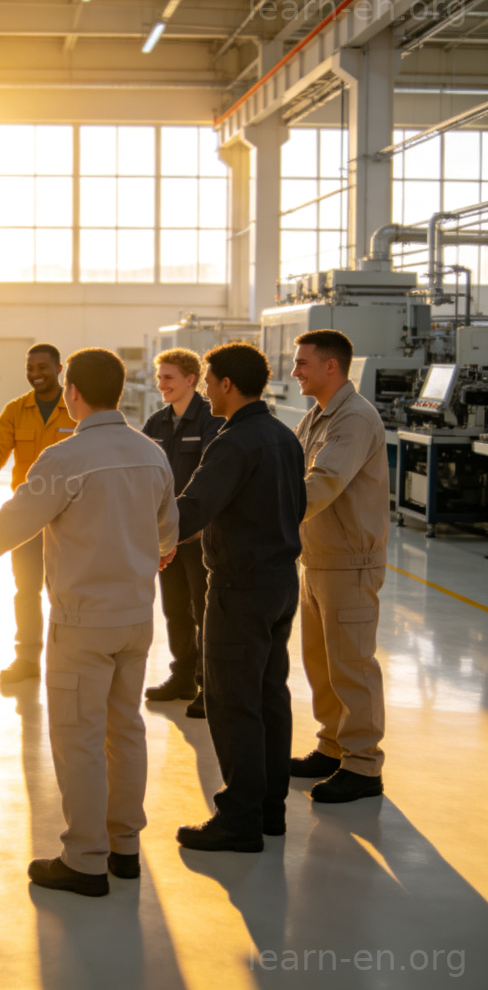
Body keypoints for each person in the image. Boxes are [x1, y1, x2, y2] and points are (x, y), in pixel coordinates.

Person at [0, 348, 178, 897]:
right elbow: (167, 533)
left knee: (78, 737)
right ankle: (125, 846)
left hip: (83, 623)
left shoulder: (65, 457)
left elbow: (13, 524)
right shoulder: (152, 454)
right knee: (125, 730)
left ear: (72, 392)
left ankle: (84, 859)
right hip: (135, 618)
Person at [174, 342, 306, 853]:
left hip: (238, 589)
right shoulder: (282, 436)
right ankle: (270, 810)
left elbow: (192, 511)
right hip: (279, 583)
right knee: (271, 695)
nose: (205, 390)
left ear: (227, 384)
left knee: (232, 702)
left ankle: (240, 818)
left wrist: (143, 533)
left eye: (208, 381)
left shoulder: (232, 443)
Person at [290, 329, 389, 803]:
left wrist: (270, 519)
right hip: (318, 557)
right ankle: (332, 747)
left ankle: (364, 766)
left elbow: (322, 483)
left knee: (351, 664)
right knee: (321, 663)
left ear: (332, 366)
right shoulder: (315, 417)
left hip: (349, 562)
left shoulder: (354, 419)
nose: (294, 372)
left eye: (302, 363)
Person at [0, 343, 77, 684]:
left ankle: (68, 658)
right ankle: (27, 658)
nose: (35, 374)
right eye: (30, 368)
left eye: (42, 367)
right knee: (26, 590)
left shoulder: (75, 409)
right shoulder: (16, 409)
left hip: (69, 518)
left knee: (66, 592)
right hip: (26, 518)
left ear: (59, 369)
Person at [142, 348, 223, 718]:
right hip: (165, 534)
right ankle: (184, 676)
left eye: (168, 378)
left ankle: (211, 685)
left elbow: (212, 478)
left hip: (198, 536)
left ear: (191, 379)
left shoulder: (210, 421)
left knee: (204, 609)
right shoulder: (157, 423)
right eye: (159, 378)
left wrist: (191, 526)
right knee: (174, 608)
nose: (161, 385)